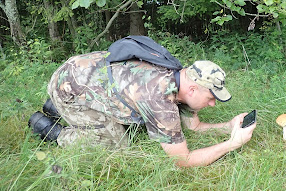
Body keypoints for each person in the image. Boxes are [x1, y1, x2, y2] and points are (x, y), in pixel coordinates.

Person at [28, 51, 256, 167]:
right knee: (116, 146)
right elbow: (183, 161)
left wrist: (228, 127)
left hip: (83, 72)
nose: (213, 104)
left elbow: (193, 127)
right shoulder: (160, 99)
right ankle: (54, 131)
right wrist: (233, 143)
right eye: (211, 98)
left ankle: (60, 108)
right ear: (194, 89)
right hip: (68, 84)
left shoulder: (179, 76)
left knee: (121, 119)